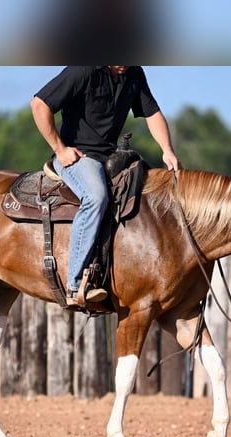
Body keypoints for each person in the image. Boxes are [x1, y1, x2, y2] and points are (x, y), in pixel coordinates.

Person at [31, 66, 181, 307]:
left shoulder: (134, 74)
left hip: (110, 156)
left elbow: (152, 113)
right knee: (96, 196)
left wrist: (168, 151)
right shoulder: (83, 70)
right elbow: (39, 104)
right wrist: (60, 149)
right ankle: (75, 284)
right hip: (78, 157)